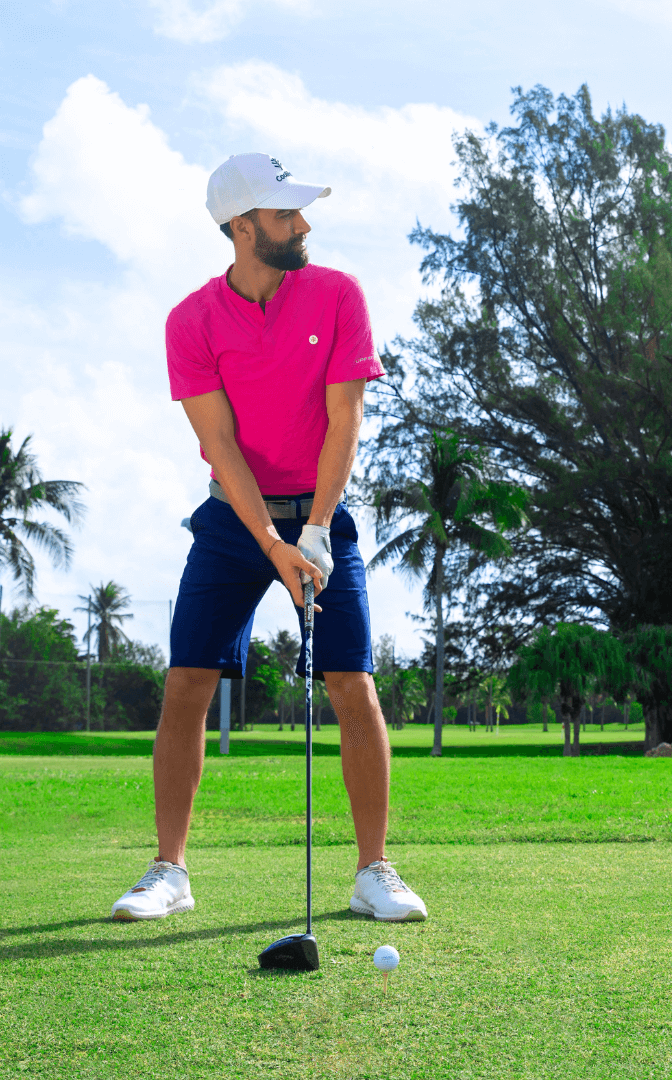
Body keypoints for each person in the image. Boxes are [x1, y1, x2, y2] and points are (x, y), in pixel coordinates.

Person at [111, 153, 427, 924]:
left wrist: (314, 530)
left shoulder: (338, 293)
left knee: (352, 681)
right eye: (286, 215)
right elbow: (220, 445)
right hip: (233, 516)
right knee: (187, 679)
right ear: (242, 227)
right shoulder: (191, 322)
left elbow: (345, 417)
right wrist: (270, 542)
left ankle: (373, 871)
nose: (304, 225)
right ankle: (169, 870)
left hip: (321, 507)